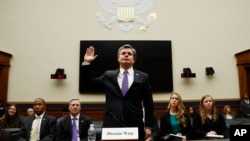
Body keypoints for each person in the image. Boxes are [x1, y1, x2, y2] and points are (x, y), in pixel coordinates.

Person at [81, 44, 154, 140]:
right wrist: (86, 63)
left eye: (129, 54)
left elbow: (149, 104)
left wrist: (148, 126)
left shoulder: (143, 77)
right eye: (123, 53)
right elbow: (87, 85)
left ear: (134, 59)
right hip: (111, 122)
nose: (126, 55)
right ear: (118, 58)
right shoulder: (108, 75)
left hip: (135, 123)